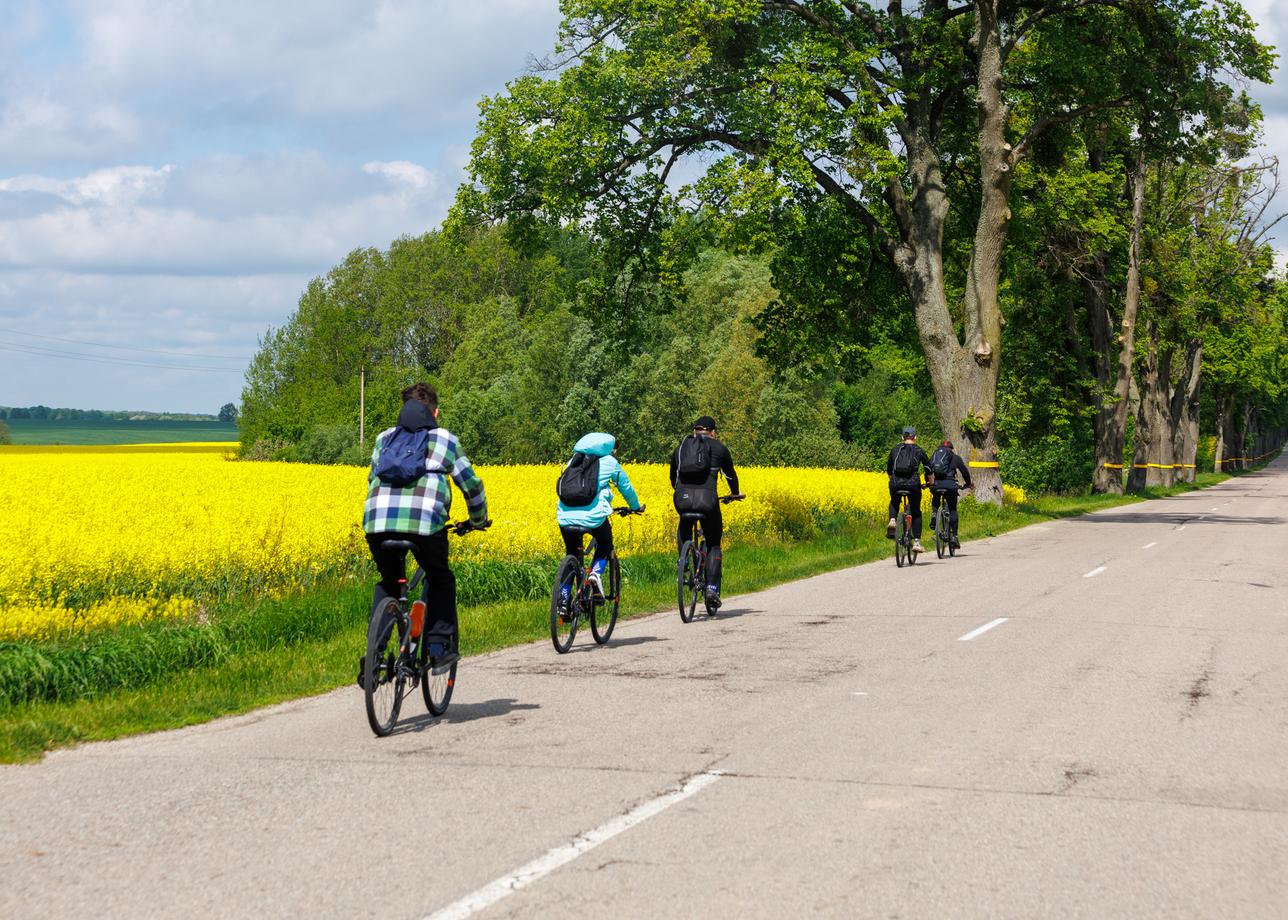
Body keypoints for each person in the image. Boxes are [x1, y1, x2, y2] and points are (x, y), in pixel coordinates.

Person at [363, 382, 488, 661]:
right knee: (440, 578)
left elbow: (372, 479)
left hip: (377, 520)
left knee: (390, 582)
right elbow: (472, 486)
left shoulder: (384, 438)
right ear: (436, 412)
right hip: (425, 524)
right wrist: (477, 520)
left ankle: (375, 657)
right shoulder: (444, 439)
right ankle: (438, 646)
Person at [556, 433, 643, 605]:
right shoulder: (610, 462)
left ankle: (564, 600)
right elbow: (625, 486)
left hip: (565, 518)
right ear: (609, 448)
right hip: (594, 518)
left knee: (571, 553)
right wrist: (635, 507)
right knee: (605, 543)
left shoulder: (573, 461)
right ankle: (595, 575)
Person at [670, 415, 740, 609]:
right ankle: (711, 588)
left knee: (684, 523)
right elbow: (730, 475)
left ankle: (682, 561)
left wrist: (683, 492)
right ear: (713, 432)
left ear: (694, 431)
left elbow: (672, 477)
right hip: (708, 502)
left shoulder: (681, 448)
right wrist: (734, 494)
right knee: (714, 541)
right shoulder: (719, 449)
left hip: (683, 501)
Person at [886, 426, 934, 553]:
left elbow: (889, 469)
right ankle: (917, 542)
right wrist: (931, 482)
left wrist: (893, 480)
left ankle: (892, 520)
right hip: (913, 484)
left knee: (894, 501)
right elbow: (928, 468)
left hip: (896, 483)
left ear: (902, 437)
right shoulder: (919, 450)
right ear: (915, 438)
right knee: (916, 511)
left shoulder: (895, 449)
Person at [928, 438, 972, 549]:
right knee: (952, 509)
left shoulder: (934, 456)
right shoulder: (955, 458)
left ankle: (934, 514)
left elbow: (928, 469)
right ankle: (954, 537)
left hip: (936, 484)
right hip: (950, 484)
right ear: (951, 449)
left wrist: (929, 483)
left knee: (936, 495)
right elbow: (964, 472)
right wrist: (968, 484)